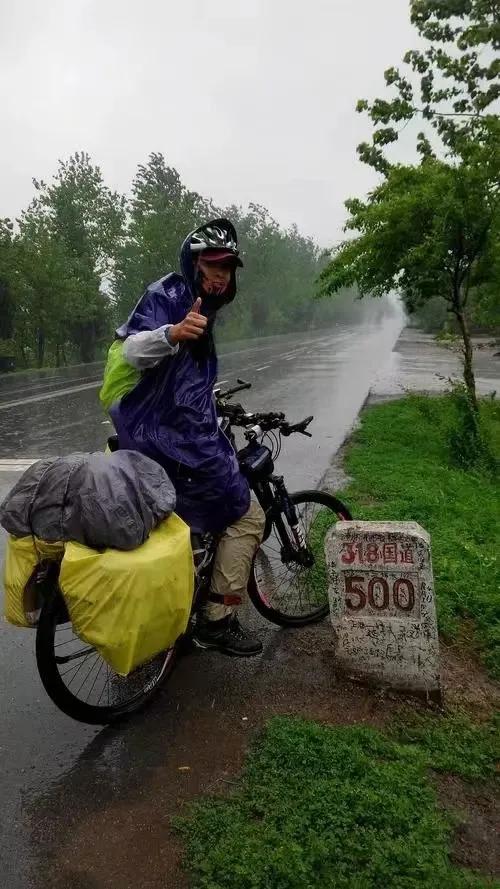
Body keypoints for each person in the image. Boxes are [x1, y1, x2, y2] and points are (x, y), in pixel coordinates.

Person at [108, 219, 265, 656]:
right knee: (247, 515)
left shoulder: (204, 309)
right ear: (194, 263)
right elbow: (132, 349)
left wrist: (208, 403)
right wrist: (171, 333)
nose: (220, 275)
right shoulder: (170, 294)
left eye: (227, 268)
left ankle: (184, 597)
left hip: (171, 434)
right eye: (212, 265)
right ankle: (217, 621)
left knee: (191, 522)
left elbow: (185, 380)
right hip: (172, 440)